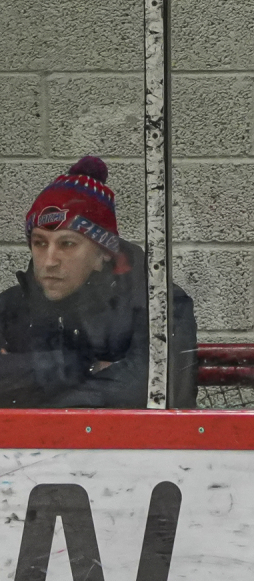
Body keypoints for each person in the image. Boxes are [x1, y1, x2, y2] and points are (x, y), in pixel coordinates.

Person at [0, 156, 197, 409]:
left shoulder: (159, 304)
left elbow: (146, 391)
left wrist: (28, 382)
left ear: (103, 253)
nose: (49, 261)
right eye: (39, 243)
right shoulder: (10, 307)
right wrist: (82, 365)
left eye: (67, 244)